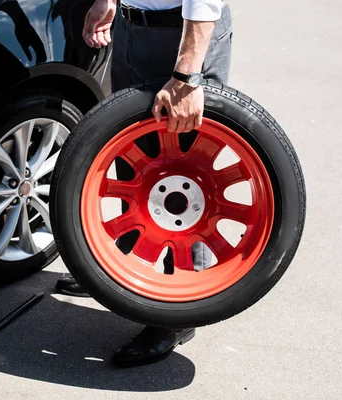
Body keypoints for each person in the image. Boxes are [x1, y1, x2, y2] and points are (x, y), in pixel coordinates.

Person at [56, 0, 233, 367]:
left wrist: (186, 76)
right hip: (131, 25)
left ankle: (179, 312)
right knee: (136, 162)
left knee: (184, 177)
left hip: (183, 33)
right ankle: (121, 276)